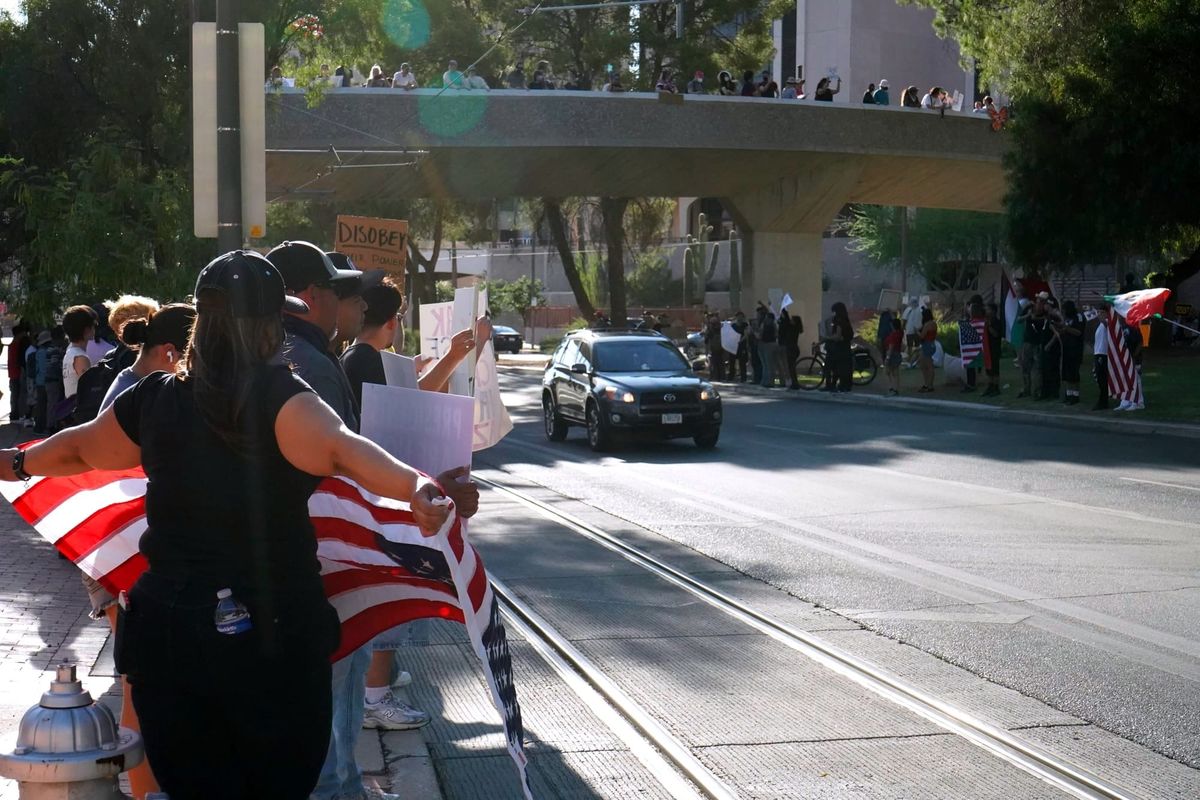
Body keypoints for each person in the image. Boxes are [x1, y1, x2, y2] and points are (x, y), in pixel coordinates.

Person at [0, 250, 452, 800]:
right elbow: (345, 451)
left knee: (191, 786)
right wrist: (416, 488)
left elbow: (78, 450)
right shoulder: (281, 400)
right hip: (272, 634)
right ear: (267, 327)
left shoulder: (156, 397)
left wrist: (17, 463)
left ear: (202, 323)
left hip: (170, 632)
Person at [61, 305, 95, 404]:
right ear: (86, 330)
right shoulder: (81, 358)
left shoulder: (70, 351)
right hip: (79, 411)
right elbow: (88, 390)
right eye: (93, 324)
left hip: (71, 409)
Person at [1057, 300, 1085, 405]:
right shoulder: (1066, 318)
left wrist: (1067, 328)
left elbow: (1078, 332)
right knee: (1066, 373)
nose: (1063, 312)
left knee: (1074, 373)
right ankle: (1068, 394)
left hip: (1075, 349)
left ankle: (1075, 395)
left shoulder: (1078, 317)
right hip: (1066, 348)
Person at [1117, 319, 1145, 411]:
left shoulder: (1135, 328)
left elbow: (1140, 343)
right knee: (1125, 380)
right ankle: (1125, 401)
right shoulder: (1123, 327)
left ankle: (1138, 402)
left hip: (1133, 359)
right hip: (1124, 358)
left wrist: (1134, 356)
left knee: (1136, 380)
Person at [826, 302, 854, 392]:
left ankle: (835, 385)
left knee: (835, 367)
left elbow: (837, 335)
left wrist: (829, 338)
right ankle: (843, 385)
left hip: (839, 348)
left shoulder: (839, 320)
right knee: (843, 368)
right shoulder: (846, 320)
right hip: (845, 348)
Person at [7, 321, 30, 425]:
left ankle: (14, 413)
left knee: (15, 394)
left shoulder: (13, 344)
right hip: (16, 372)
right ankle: (15, 413)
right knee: (17, 393)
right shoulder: (16, 344)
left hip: (13, 373)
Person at [1092, 303, 1112, 410]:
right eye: (1098, 312)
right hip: (1098, 352)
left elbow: (1106, 324)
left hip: (1103, 354)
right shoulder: (1100, 325)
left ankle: (1103, 401)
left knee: (1102, 378)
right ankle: (1102, 399)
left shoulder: (1107, 322)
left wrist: (1102, 318)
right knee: (1099, 377)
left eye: (1102, 312)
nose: (1099, 314)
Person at [982, 301, 1004, 396]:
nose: (986, 311)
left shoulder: (997, 322)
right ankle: (990, 385)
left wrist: (989, 326)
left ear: (993, 311)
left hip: (995, 348)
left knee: (995, 368)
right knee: (988, 368)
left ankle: (996, 387)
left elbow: (996, 334)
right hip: (987, 348)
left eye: (988, 309)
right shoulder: (986, 321)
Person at [778, 308, 801, 390]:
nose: (790, 321)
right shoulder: (795, 329)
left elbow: (786, 321)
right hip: (793, 348)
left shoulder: (793, 329)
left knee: (791, 367)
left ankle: (795, 384)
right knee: (791, 367)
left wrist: (784, 311)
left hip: (792, 349)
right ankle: (794, 383)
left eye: (792, 320)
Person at [917, 307, 937, 393]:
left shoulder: (927, 324)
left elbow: (922, 336)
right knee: (924, 365)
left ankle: (929, 385)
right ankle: (928, 384)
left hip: (927, 345)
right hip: (932, 344)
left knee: (927, 366)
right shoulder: (934, 324)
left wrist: (916, 331)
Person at [757, 311, 779, 388]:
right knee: (766, 364)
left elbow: (760, 335)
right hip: (769, 344)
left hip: (767, 344)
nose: (766, 319)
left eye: (767, 318)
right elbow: (776, 335)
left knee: (768, 364)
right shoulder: (774, 325)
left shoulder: (767, 325)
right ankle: (765, 381)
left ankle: (769, 381)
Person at [883, 317, 904, 396]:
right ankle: (896, 389)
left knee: (887, 372)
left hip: (892, 354)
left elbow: (891, 346)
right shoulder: (900, 333)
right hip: (897, 353)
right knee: (895, 372)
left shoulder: (893, 335)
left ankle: (891, 387)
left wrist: (888, 357)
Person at [703, 313, 724, 381]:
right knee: (716, 363)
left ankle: (717, 376)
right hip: (717, 348)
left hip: (716, 348)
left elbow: (706, 340)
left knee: (715, 363)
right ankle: (718, 376)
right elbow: (706, 340)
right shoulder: (716, 330)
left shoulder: (713, 330)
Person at [902, 297, 922, 367]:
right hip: (916, 331)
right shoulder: (919, 310)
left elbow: (904, 320)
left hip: (910, 331)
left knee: (910, 347)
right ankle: (915, 361)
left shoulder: (908, 310)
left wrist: (902, 328)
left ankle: (911, 361)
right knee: (917, 346)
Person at [729, 311, 749, 382]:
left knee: (742, 362)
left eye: (741, 316)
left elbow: (746, 335)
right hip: (734, 346)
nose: (739, 318)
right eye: (738, 316)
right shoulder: (733, 325)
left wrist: (740, 341)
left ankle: (743, 377)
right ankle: (731, 376)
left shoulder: (745, 325)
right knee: (732, 362)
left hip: (742, 345)